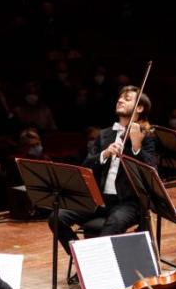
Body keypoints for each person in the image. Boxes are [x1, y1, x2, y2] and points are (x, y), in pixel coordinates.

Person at [48, 85, 157, 255]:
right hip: (99, 199)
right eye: (120, 97)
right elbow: (85, 166)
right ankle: (82, 258)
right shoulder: (104, 134)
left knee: (114, 222)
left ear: (140, 108)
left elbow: (151, 170)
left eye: (127, 99)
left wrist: (136, 146)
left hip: (128, 202)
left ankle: (96, 264)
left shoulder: (146, 135)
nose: (120, 100)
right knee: (56, 217)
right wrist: (104, 153)